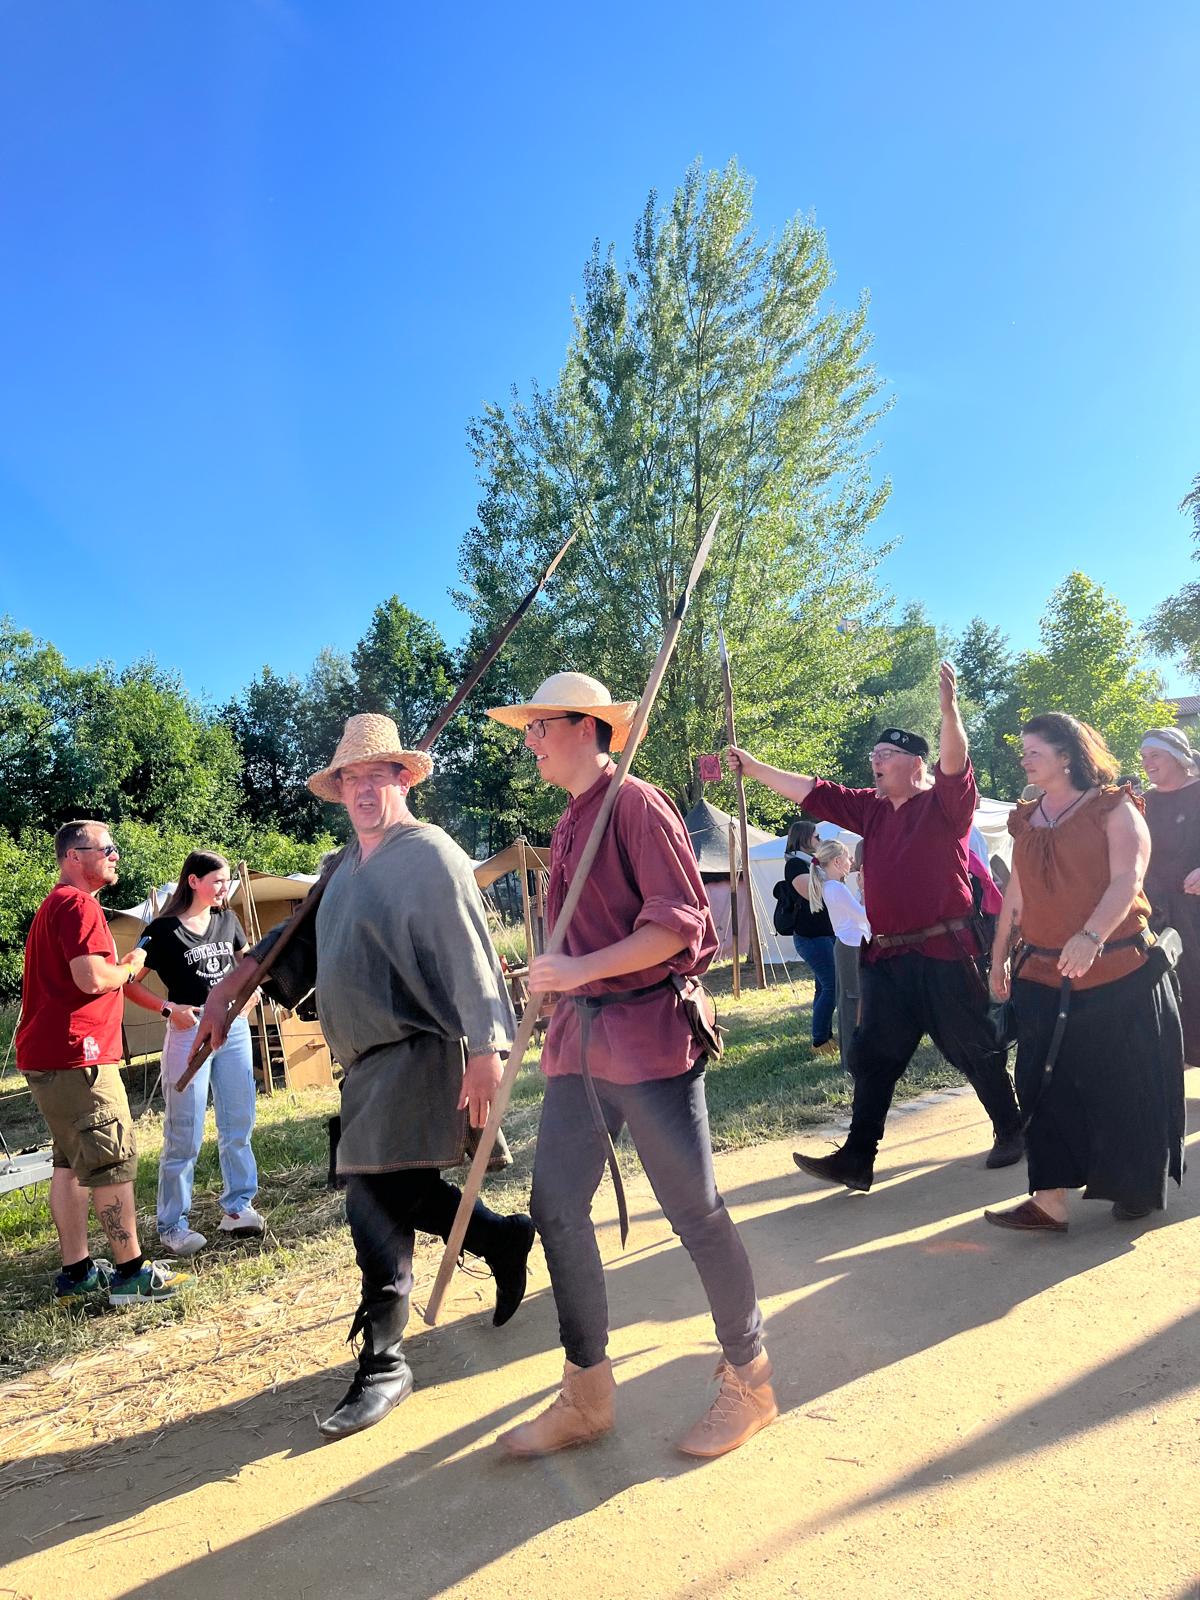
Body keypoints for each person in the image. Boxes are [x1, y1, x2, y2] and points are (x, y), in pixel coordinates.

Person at [193, 714, 535, 1440]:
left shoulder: (431, 855)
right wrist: (228, 991)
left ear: (404, 779)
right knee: (405, 1190)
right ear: (339, 788)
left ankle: (384, 1364)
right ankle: (501, 1239)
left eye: (378, 775)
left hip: (421, 1049)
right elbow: (288, 944)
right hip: (366, 1066)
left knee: (372, 1201)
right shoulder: (340, 868)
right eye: (351, 778)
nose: (363, 790)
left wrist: (488, 1049)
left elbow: (470, 950)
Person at [486, 672, 775, 1460]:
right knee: (555, 1207)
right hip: (580, 1046)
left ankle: (751, 1380)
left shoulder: (636, 805)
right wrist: (557, 982)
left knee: (694, 1213)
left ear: (587, 727)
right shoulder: (572, 819)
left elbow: (679, 929)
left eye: (541, 726)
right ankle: (587, 1395)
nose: (530, 740)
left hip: (648, 1039)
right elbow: (590, 940)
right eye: (528, 728)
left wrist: (578, 970)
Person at [729, 662, 1023, 1192]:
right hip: (887, 958)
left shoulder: (945, 805)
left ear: (916, 764)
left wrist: (950, 712)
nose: (875, 762)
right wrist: (753, 768)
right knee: (873, 1057)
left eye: (885, 755)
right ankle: (856, 1158)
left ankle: (1012, 1128)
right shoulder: (872, 809)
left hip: (944, 955)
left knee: (973, 1046)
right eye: (874, 755)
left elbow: (956, 764)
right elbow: (813, 792)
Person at [984, 715, 1185, 1231]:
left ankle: (1134, 1187)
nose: (1024, 759)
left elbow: (1128, 878)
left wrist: (1091, 935)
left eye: (1034, 751)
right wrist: (999, 954)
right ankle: (1049, 1200)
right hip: (1040, 973)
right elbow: (1017, 893)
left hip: (1119, 971)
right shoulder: (1026, 818)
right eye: (1024, 750)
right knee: (1040, 1083)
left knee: (1122, 1084)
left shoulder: (1114, 807)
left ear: (1067, 755)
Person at [15, 821, 191, 1306]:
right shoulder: (78, 904)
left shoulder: (55, 904)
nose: (115, 855)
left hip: (54, 1057)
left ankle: (77, 1275)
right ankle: (132, 1273)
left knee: (70, 1163)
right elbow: (91, 978)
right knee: (113, 1159)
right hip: (81, 1057)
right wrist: (130, 968)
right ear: (74, 856)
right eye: (107, 848)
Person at [124, 851, 264, 1255]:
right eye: (217, 881)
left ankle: (238, 1207)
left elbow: (248, 968)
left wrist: (251, 993)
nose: (224, 888)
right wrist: (169, 1009)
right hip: (189, 1033)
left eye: (226, 881)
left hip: (233, 1029)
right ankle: (172, 1225)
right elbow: (129, 982)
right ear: (193, 881)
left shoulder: (228, 920)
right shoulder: (163, 929)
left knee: (238, 1121)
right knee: (184, 1131)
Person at [1141, 727, 1200, 1066]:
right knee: (1168, 989)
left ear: (1177, 756)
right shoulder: (1143, 803)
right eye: (1143, 757)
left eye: (1155, 755)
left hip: (1196, 910)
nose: (1147, 763)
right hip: (1157, 913)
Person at [807, 840, 870, 1077]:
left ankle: (853, 1058)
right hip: (849, 947)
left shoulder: (834, 887)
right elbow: (863, 916)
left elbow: (856, 915)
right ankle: (852, 1061)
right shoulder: (835, 888)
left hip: (850, 945)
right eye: (847, 857)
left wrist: (861, 892)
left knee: (851, 1000)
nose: (851, 861)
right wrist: (865, 891)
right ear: (836, 861)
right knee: (851, 1002)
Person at [781, 821, 838, 1056]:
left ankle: (824, 1035)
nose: (820, 840)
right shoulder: (795, 864)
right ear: (804, 838)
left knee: (823, 987)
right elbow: (811, 892)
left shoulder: (811, 864)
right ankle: (820, 1041)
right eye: (816, 836)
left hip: (824, 934)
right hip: (811, 937)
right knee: (832, 986)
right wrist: (829, 872)